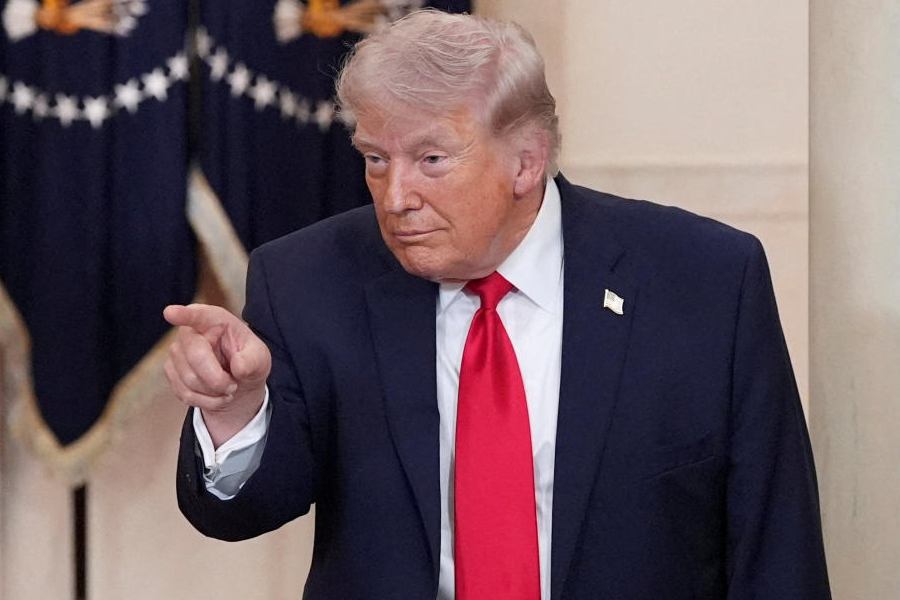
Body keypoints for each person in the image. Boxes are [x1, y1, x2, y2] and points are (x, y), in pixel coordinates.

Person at [164, 10, 831, 600]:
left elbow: (776, 544)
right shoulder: (307, 279)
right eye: (374, 158)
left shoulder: (702, 279)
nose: (394, 197)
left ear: (525, 163)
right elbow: (241, 513)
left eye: (430, 159)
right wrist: (236, 409)